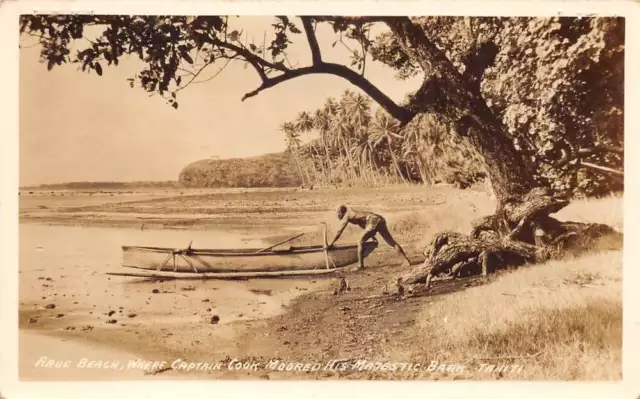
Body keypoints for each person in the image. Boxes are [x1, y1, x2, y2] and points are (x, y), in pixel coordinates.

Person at [326, 205, 411, 269]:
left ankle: (360, 266)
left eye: (337, 214)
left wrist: (331, 243)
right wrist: (372, 236)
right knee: (391, 242)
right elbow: (362, 224)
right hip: (380, 219)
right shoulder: (353, 214)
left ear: (341, 212)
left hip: (373, 220)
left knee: (359, 241)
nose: (337, 216)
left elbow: (339, 231)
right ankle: (406, 261)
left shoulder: (347, 215)